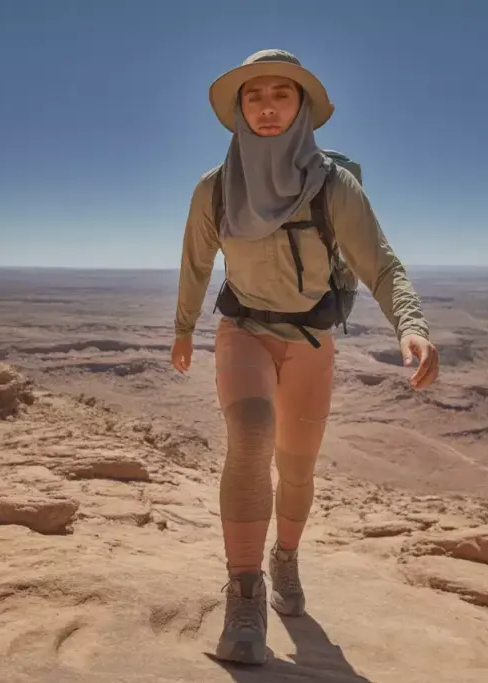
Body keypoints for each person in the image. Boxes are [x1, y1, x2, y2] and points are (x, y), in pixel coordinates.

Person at [170, 49, 439, 665]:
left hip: (312, 343)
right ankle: (244, 593)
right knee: (252, 434)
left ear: (302, 109)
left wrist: (411, 326)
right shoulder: (214, 190)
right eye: (254, 96)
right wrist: (184, 329)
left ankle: (284, 559)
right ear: (238, 109)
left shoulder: (332, 186)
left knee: (297, 466)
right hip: (245, 329)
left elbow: (381, 263)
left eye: (281, 95)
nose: (267, 106)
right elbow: (194, 264)